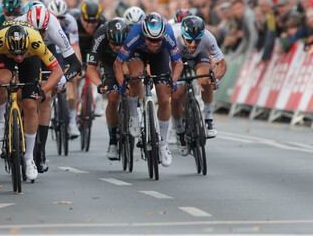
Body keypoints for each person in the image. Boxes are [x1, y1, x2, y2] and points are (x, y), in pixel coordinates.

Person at [0, 22, 63, 181]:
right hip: (4, 57)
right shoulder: (0, 41)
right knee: (2, 80)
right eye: (15, 53)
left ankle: (29, 158)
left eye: (20, 53)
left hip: (32, 59)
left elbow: (57, 71)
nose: (18, 57)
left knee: (30, 105)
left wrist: (43, 91)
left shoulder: (36, 40)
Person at [17, 3, 81, 173]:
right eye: (35, 30)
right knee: (19, 93)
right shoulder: (19, 23)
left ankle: (40, 152)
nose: (39, 34)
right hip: (24, 51)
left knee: (45, 99)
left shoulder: (53, 27)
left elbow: (76, 65)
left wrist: (64, 79)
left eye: (42, 31)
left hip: (48, 51)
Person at [113, 12, 183, 167]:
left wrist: (174, 81)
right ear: (144, 33)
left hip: (160, 56)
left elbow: (178, 63)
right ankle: (134, 115)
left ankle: (163, 145)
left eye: (157, 39)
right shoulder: (135, 33)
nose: (153, 43)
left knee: (165, 98)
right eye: (150, 39)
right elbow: (118, 63)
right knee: (135, 76)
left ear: (162, 35)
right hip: (138, 52)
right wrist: (122, 84)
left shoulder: (168, 34)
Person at [171, 15, 227, 155]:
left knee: (206, 79)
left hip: (197, 57)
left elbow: (222, 64)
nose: (193, 45)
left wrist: (216, 79)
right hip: (175, 57)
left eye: (197, 41)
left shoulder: (208, 37)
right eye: (189, 40)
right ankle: (179, 131)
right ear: (183, 35)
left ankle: (208, 119)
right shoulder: (172, 34)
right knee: (176, 95)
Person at [87, 17, 129, 160]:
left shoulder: (130, 34)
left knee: (134, 80)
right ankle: (112, 141)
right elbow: (91, 69)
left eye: (120, 44)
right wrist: (99, 84)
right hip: (108, 62)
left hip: (125, 60)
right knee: (113, 97)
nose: (117, 47)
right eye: (114, 44)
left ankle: (138, 111)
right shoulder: (100, 34)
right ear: (108, 37)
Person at [47, 0, 82, 138]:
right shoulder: (46, 22)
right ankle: (48, 109)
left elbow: (75, 46)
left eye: (62, 17)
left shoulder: (70, 22)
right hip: (50, 51)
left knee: (73, 80)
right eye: (56, 17)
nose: (60, 21)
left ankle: (72, 121)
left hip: (64, 48)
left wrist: (78, 68)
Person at [75, 0, 106, 116]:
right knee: (77, 74)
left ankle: (98, 100)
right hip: (80, 48)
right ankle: (76, 100)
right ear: (81, 18)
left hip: (96, 48)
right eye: (87, 21)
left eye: (94, 22)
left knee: (97, 67)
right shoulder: (75, 22)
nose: (90, 25)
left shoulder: (103, 22)